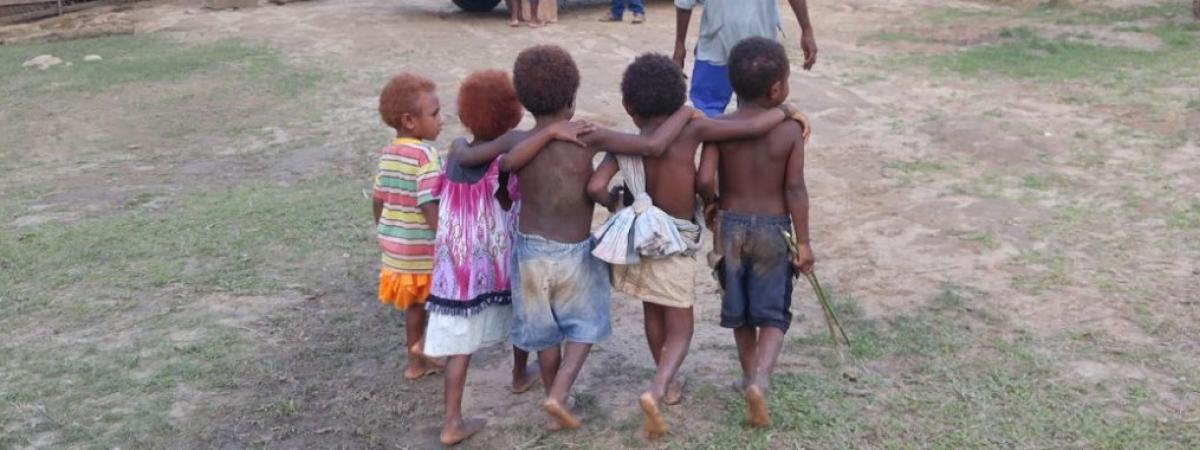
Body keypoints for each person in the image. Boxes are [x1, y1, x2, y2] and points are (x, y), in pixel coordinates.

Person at [587, 53, 807, 440]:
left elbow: (595, 188)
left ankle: (669, 386)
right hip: (676, 241)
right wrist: (787, 110)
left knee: (654, 311)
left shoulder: (624, 145)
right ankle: (663, 387)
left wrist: (620, 203)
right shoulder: (694, 130)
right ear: (679, 98)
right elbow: (750, 132)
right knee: (684, 327)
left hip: (641, 242)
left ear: (628, 107)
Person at [500, 44, 702, 431]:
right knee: (582, 329)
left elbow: (507, 164)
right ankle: (560, 393)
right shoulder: (586, 136)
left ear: (524, 100)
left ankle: (553, 395)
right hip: (575, 254)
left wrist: (545, 136)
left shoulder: (517, 143)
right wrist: (687, 112)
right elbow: (651, 146)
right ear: (572, 100)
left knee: (544, 334)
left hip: (528, 253)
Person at [424, 70, 589, 446]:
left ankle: (452, 420)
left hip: (456, 271)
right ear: (512, 115)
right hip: (500, 264)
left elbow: (449, 176)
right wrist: (547, 133)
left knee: (459, 350)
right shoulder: (507, 158)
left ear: (465, 114)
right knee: (524, 320)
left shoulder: (455, 152)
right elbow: (517, 185)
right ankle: (519, 375)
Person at [696, 37, 815, 428]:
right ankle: (760, 382)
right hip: (773, 230)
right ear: (777, 89)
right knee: (774, 316)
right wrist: (805, 242)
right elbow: (795, 188)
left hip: (729, 228)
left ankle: (749, 377)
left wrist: (711, 202)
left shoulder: (718, 128)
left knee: (741, 312)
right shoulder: (790, 131)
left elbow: (703, 178)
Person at [372, 73, 444, 381]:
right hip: (423, 248)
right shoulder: (426, 155)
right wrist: (445, 238)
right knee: (440, 301)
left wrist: (383, 230)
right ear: (410, 121)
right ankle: (431, 348)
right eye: (435, 114)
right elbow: (429, 203)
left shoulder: (389, 153)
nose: (442, 120)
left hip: (397, 248)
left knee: (414, 307)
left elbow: (378, 198)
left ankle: (414, 364)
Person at [673, 0, 818, 117]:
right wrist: (679, 46)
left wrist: (807, 30)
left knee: (757, 114)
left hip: (751, 48)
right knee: (707, 116)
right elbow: (685, 3)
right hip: (719, 47)